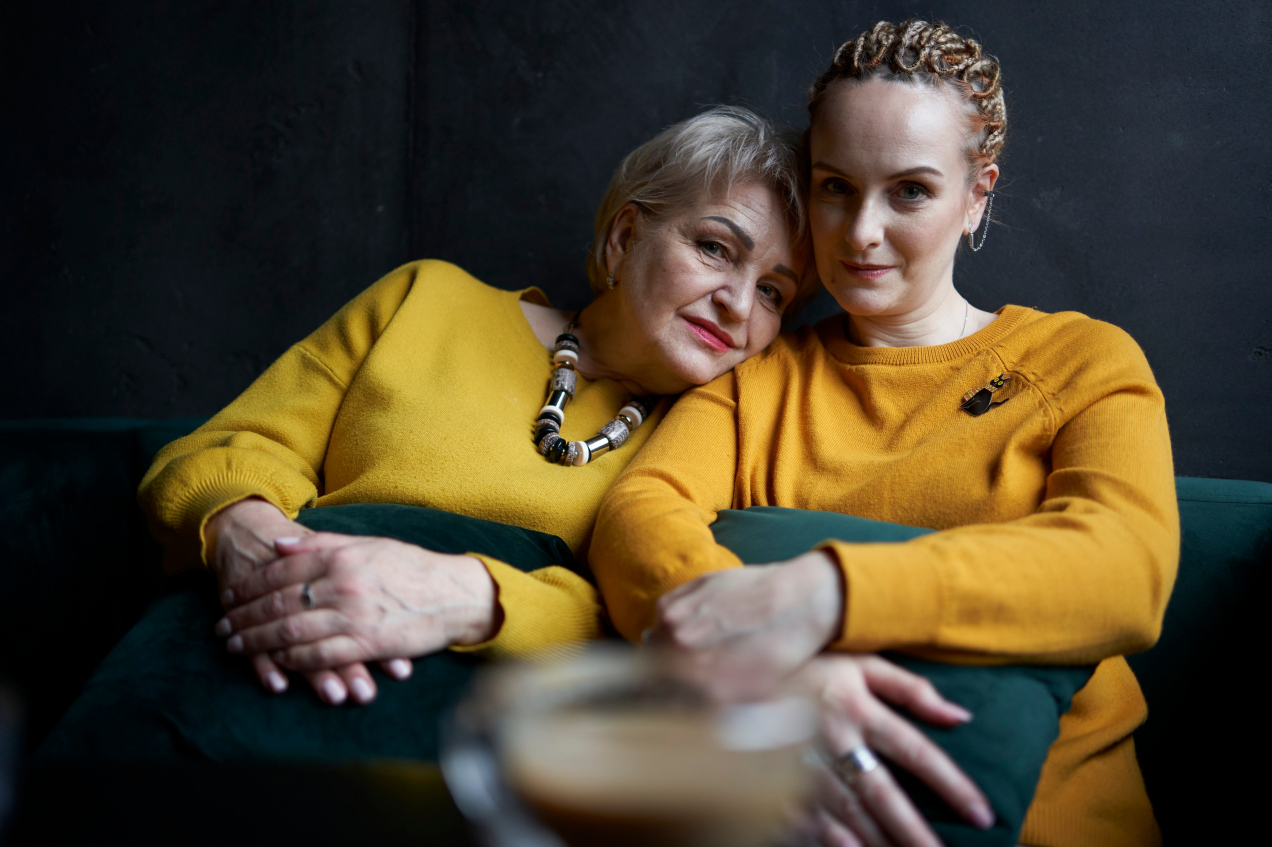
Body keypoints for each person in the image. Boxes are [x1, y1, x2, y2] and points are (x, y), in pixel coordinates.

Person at [590, 20, 1177, 847]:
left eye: (909, 192)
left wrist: (824, 594)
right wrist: (760, 661)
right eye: (836, 187)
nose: (861, 231)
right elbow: (640, 511)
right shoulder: (754, 377)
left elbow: (1127, 568)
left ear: (977, 195)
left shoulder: (1081, 358)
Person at [137, 105, 814, 708]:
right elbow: (226, 449)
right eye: (715, 248)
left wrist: (466, 598)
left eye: (772, 293)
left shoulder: (714, 434)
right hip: (270, 631)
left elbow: (655, 626)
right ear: (626, 235)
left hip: (493, 718)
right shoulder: (427, 298)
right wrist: (253, 541)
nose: (737, 304)